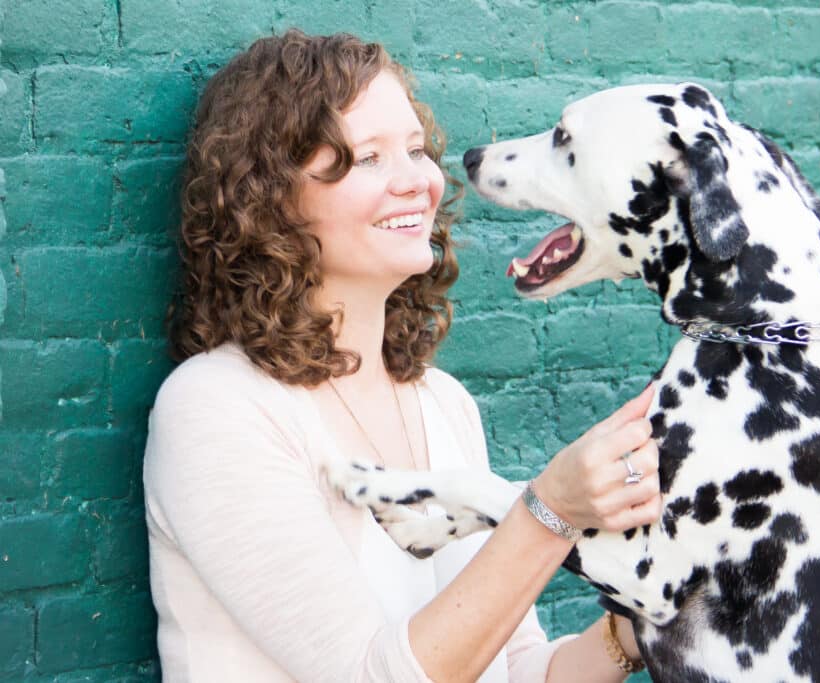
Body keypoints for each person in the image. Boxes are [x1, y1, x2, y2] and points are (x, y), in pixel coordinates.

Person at [143, 29, 662, 682]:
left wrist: (639, 625)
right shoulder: (217, 408)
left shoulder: (442, 402)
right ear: (270, 197)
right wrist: (551, 509)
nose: (417, 181)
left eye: (416, 150)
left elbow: (517, 667)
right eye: (367, 158)